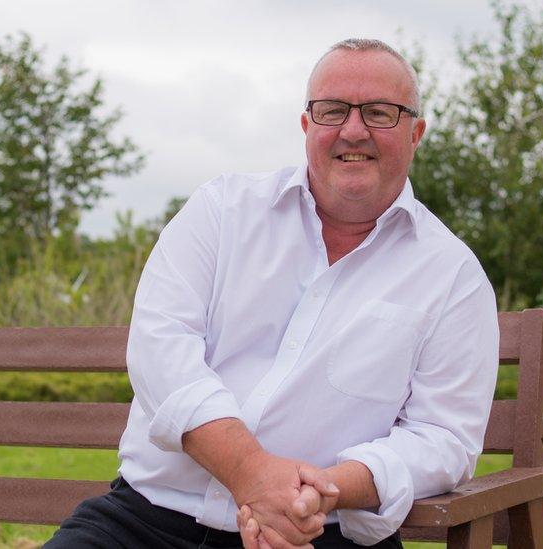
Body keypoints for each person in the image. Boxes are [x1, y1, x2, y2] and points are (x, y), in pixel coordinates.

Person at [43, 38, 499, 549]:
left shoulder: (453, 276)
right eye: (332, 111)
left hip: (320, 532)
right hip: (146, 522)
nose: (353, 130)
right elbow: (161, 348)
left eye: (379, 113)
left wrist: (321, 493)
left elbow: (443, 439)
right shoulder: (221, 212)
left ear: (416, 133)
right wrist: (251, 472)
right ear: (307, 126)